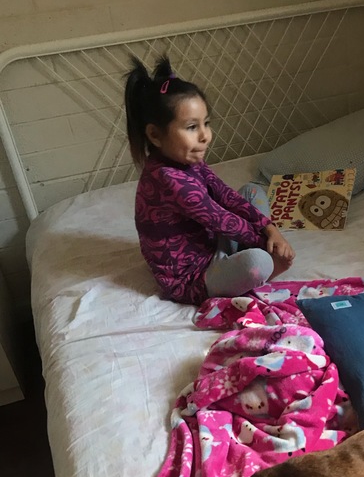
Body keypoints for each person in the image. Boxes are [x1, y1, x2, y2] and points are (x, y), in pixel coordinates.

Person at [124, 55, 295, 305]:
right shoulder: (167, 179)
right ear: (155, 135)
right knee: (258, 263)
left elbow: (225, 194)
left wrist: (271, 230)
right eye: (192, 127)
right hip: (192, 277)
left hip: (211, 244)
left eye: (206, 123)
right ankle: (257, 266)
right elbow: (220, 219)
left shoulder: (187, 160)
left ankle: (249, 259)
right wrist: (270, 247)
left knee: (251, 190)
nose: (205, 136)